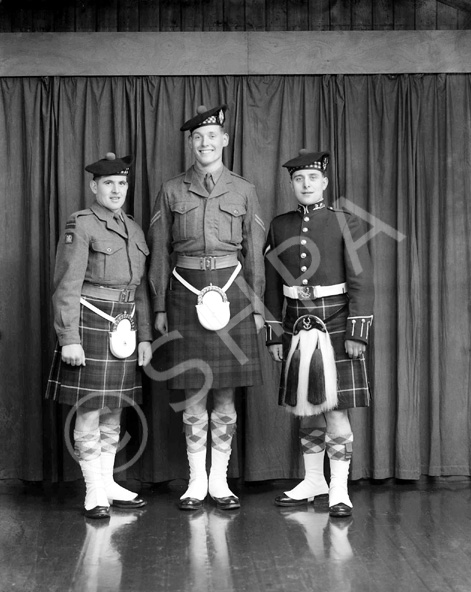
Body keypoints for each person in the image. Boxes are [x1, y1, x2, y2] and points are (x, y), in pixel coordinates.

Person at [148, 104, 266, 511]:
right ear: (191, 143)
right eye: (198, 137)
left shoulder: (244, 190)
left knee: (226, 395)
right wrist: (160, 305)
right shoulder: (171, 189)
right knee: (194, 392)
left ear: (224, 140)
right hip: (184, 291)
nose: (205, 143)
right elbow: (160, 254)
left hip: (232, 293)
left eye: (212, 136)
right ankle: (196, 481)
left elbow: (254, 255)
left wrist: (256, 305)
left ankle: (220, 481)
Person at [264, 150, 374, 517]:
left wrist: (357, 331)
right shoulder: (279, 226)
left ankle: (339, 489)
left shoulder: (347, 222)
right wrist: (275, 333)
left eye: (312, 178)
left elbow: (361, 282)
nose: (306, 184)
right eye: (299, 179)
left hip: (338, 321)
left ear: (325, 182)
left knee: (337, 410)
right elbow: (270, 285)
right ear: (291, 184)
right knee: (306, 407)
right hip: (295, 321)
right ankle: (314, 480)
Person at [46, 153, 153, 519]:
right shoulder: (82, 224)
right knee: (91, 408)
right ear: (95, 187)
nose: (116, 190)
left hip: (126, 327)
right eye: (108, 183)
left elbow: (139, 291)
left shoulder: (135, 230)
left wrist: (146, 338)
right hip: (91, 324)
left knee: (115, 410)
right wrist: (68, 337)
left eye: (122, 183)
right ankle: (94, 491)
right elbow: (67, 284)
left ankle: (107, 482)